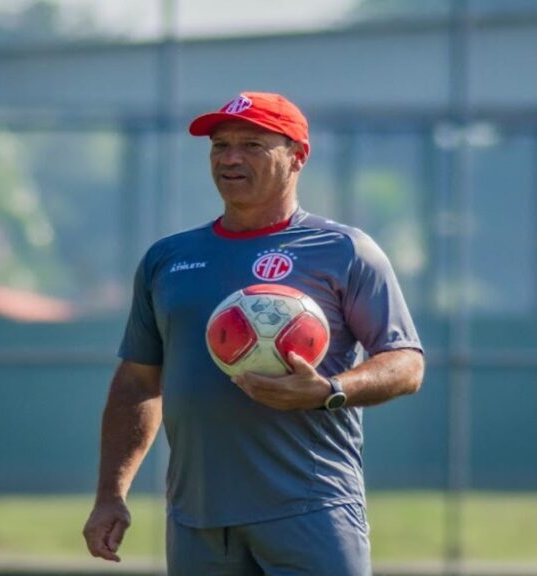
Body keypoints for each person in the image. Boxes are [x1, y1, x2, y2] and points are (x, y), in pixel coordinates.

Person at [83, 91, 424, 575]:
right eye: (220, 146)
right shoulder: (168, 259)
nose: (230, 158)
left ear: (297, 156)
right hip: (197, 520)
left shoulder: (344, 250)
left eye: (252, 144)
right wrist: (110, 495)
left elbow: (406, 363)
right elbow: (138, 382)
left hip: (311, 510)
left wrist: (329, 391)